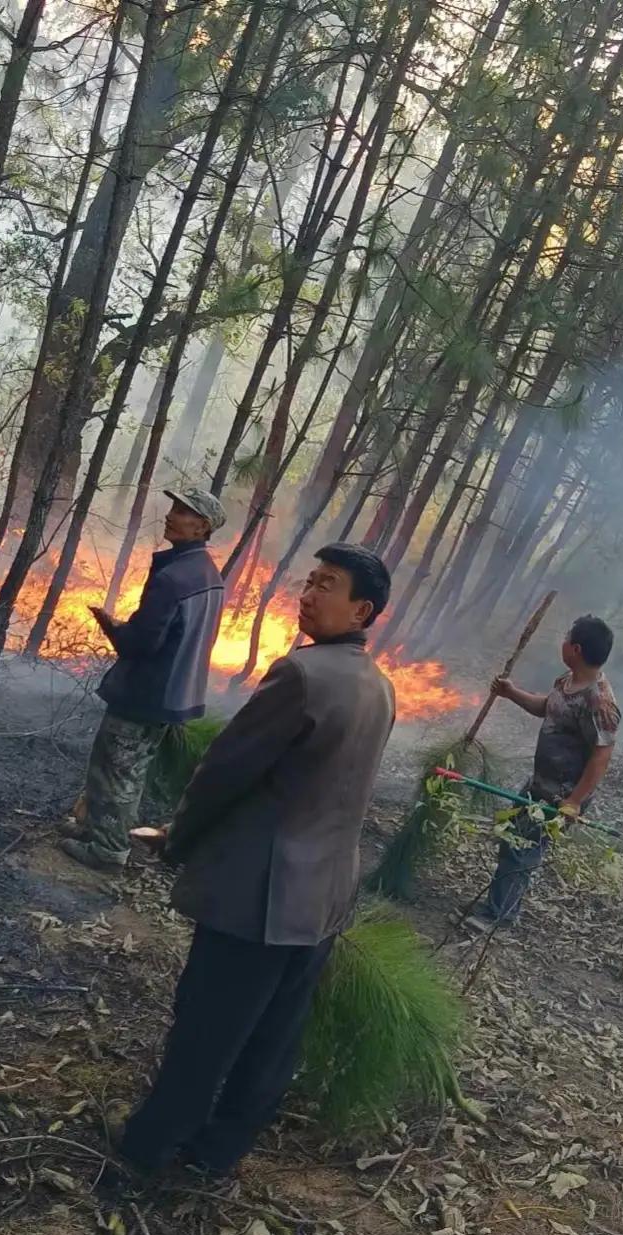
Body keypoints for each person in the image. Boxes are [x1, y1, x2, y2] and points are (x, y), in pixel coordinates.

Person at [116, 543, 396, 1179]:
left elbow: (224, 773)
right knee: (271, 1042)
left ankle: (148, 1150)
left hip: (260, 899)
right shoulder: (379, 685)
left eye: (328, 585)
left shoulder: (300, 676)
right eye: (310, 580)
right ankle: (217, 1155)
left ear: (362, 610)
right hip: (324, 899)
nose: (309, 593)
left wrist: (176, 839)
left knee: (205, 1035)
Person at [61, 486, 226, 871]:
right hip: (172, 695)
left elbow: (140, 644)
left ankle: (107, 850)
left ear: (202, 527)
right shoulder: (208, 574)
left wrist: (112, 626)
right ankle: (93, 830)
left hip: (146, 693)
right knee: (125, 767)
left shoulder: (174, 579)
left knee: (117, 771)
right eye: (173, 508)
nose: (170, 515)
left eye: (182, 512)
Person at [466, 614, 621, 932]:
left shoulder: (599, 702)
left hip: (560, 794)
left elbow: (602, 755)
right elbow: (546, 708)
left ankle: (499, 918)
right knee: (513, 841)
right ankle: (497, 905)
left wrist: (574, 802)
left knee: (523, 850)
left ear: (575, 648)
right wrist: (512, 693)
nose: (561, 642)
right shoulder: (567, 680)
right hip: (540, 783)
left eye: (566, 637)